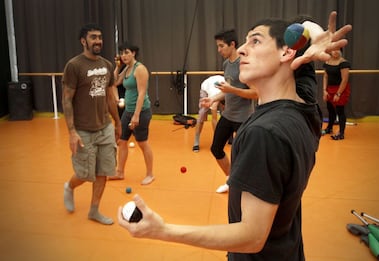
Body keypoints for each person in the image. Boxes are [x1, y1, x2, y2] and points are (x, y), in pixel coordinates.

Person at [117, 11, 352, 260]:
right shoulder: (305, 103)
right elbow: (304, 24)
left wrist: (163, 230)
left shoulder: (264, 134)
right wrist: (315, 38)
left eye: (255, 41)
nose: (241, 49)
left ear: (287, 52)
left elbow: (251, 237)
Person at [62, 23, 121, 225]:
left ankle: (94, 210)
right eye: (93, 37)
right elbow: (67, 99)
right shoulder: (74, 66)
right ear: (83, 41)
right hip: (83, 129)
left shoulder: (106, 65)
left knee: (103, 171)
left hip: (104, 126)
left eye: (100, 37)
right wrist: (71, 132)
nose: (98, 41)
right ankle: (69, 187)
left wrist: (118, 123)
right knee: (84, 174)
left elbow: (110, 98)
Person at [202, 29, 258, 193]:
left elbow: (255, 93)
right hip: (228, 115)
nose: (219, 50)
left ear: (232, 45)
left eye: (221, 46)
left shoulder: (245, 64)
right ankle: (231, 180)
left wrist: (231, 90)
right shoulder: (227, 64)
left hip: (243, 119)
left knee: (241, 157)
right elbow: (227, 89)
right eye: (217, 46)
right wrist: (214, 98)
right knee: (216, 148)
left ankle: (244, 186)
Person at [108, 42, 155, 185]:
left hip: (141, 112)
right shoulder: (127, 69)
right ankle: (120, 172)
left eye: (127, 52)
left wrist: (136, 115)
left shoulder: (139, 69)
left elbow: (142, 93)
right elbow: (114, 82)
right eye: (122, 53)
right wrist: (117, 67)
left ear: (134, 53)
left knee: (142, 143)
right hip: (128, 111)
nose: (124, 55)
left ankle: (150, 174)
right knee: (122, 141)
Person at [322, 49, 351, 140]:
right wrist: (324, 90)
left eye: (338, 49)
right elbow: (325, 76)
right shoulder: (327, 61)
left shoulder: (343, 63)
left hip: (340, 89)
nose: (336, 51)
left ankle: (341, 133)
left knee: (340, 111)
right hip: (329, 89)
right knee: (330, 109)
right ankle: (329, 128)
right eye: (334, 49)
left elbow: (344, 80)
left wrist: (338, 94)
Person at [192, 75, 225, 152]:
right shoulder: (214, 98)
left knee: (228, 115)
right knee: (202, 115)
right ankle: (196, 141)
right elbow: (214, 120)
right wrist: (217, 141)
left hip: (220, 85)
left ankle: (229, 137)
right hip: (206, 87)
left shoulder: (228, 93)